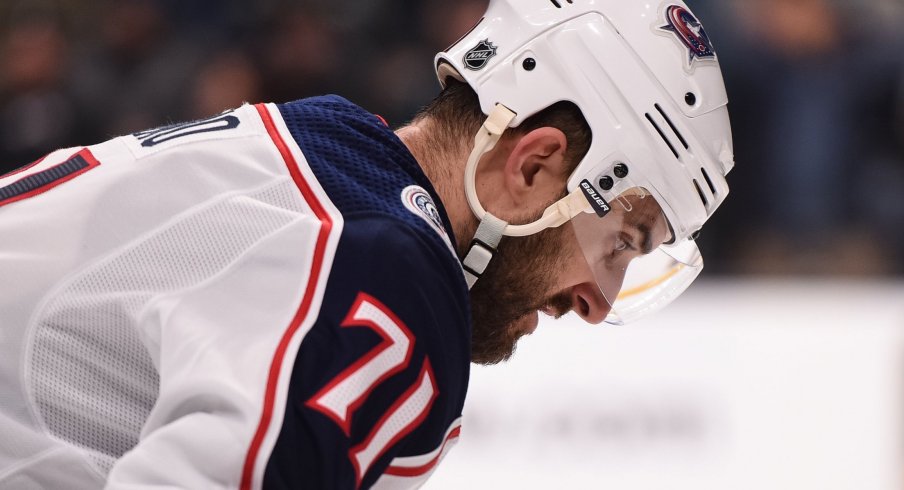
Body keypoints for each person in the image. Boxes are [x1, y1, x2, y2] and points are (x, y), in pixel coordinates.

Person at [0, 0, 733, 488]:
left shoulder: (326, 144)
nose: (597, 304)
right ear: (533, 166)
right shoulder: (389, 277)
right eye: (620, 243)